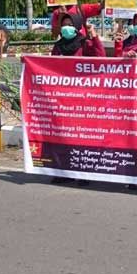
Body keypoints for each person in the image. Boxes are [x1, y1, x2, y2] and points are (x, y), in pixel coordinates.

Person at [51, 14, 105, 186]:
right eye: (64, 24)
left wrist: (94, 36)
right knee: (63, 135)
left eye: (69, 24)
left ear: (77, 26)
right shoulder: (58, 47)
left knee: (82, 136)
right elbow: (48, 65)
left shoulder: (84, 43)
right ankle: (63, 171)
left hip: (82, 97)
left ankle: (84, 172)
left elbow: (100, 57)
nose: (66, 28)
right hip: (62, 97)